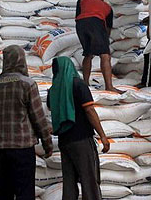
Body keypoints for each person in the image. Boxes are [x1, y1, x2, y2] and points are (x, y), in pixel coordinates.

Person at [0, 45, 53, 200]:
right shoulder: (27, 83)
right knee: (24, 191)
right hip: (21, 147)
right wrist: (47, 144)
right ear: (21, 60)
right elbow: (38, 117)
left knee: (5, 190)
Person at [47, 56, 110, 200]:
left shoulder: (53, 90)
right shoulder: (78, 84)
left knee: (69, 183)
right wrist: (103, 136)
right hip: (82, 139)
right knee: (90, 181)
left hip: (65, 141)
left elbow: (52, 109)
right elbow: (89, 111)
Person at [75, 0, 122, 93]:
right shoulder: (107, 7)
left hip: (81, 26)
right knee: (105, 56)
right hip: (96, 23)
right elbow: (108, 29)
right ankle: (109, 86)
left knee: (88, 54)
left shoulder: (81, 1)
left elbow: (78, 18)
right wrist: (105, 42)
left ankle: (86, 82)